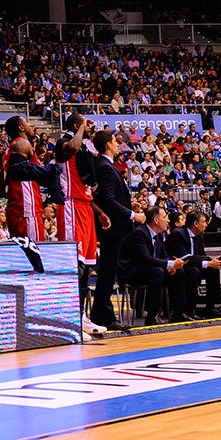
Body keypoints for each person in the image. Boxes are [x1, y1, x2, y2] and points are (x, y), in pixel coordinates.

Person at [53, 113, 106, 334]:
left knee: (87, 268)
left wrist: (99, 212)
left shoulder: (84, 149)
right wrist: (82, 128)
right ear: (76, 125)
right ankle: (70, 318)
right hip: (71, 205)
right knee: (76, 265)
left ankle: (81, 317)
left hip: (84, 207)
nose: (89, 127)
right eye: (85, 124)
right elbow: (72, 147)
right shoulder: (64, 143)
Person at [90, 129, 142, 332]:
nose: (118, 143)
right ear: (107, 145)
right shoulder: (104, 167)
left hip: (115, 227)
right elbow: (108, 200)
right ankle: (105, 316)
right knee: (107, 273)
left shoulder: (106, 166)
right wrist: (131, 215)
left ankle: (99, 314)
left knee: (109, 272)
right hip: (112, 228)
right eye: (114, 140)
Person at [118, 205, 186, 325]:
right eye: (165, 217)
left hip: (148, 269)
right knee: (157, 272)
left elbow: (163, 255)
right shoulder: (139, 233)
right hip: (131, 272)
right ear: (156, 220)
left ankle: (178, 312)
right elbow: (145, 259)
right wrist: (169, 264)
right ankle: (152, 315)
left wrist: (170, 266)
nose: (168, 220)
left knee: (178, 272)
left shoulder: (158, 234)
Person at [166, 211, 221, 320]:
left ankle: (211, 307)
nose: (206, 224)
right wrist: (208, 262)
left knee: (213, 269)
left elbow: (201, 255)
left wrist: (213, 261)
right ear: (196, 224)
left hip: (193, 264)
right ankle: (189, 310)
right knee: (195, 272)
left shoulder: (199, 236)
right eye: (204, 222)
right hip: (180, 265)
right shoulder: (178, 234)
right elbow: (184, 257)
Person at [3, 137, 62, 241]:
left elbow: (1, 189)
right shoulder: (20, 155)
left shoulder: (7, 157)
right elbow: (46, 174)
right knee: (34, 249)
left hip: (13, 211)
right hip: (27, 212)